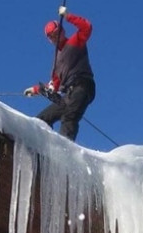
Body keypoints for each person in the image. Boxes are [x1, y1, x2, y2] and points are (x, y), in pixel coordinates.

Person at [24, 6, 95, 141]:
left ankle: (65, 151)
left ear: (62, 31)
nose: (54, 38)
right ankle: (40, 146)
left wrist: (68, 16)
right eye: (51, 37)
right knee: (41, 120)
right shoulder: (57, 62)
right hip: (68, 93)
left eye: (56, 33)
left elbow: (87, 27)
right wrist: (36, 89)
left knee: (69, 117)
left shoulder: (74, 42)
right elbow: (54, 85)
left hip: (82, 85)